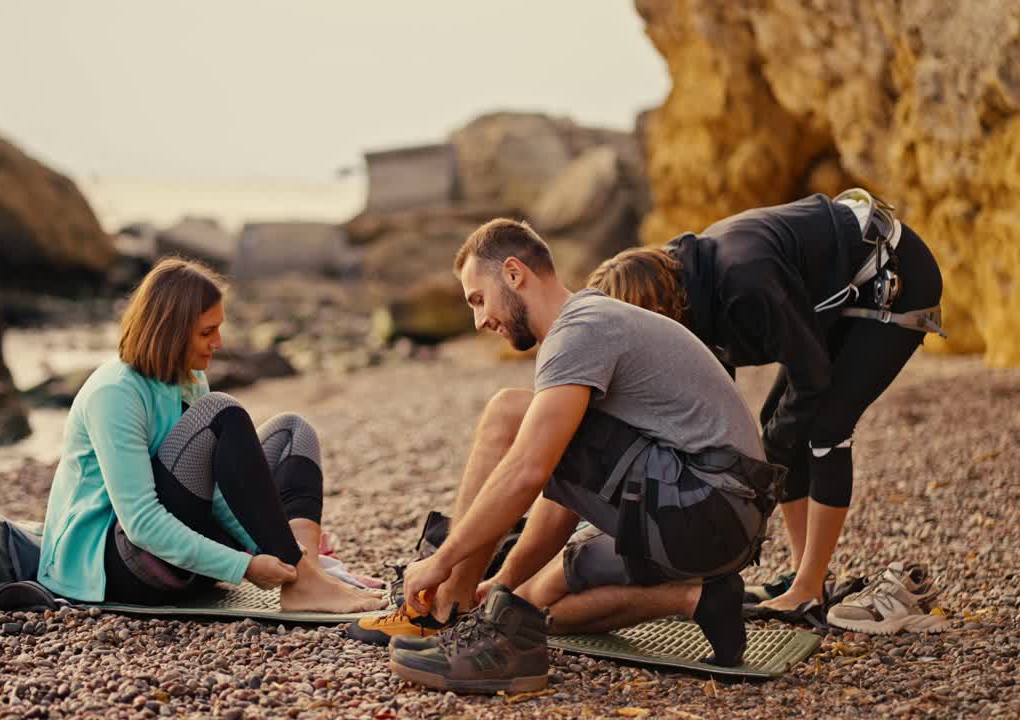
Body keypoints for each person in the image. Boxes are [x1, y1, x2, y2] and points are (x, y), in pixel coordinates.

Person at [364, 219, 784, 694]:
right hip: (720, 514)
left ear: (515, 273)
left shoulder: (580, 330)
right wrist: (503, 584)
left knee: (508, 413)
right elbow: (567, 488)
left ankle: (447, 608)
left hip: (707, 504)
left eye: (478, 299)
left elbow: (529, 470)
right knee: (539, 605)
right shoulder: (588, 324)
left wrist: (442, 562)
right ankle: (698, 599)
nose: (479, 321)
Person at [588, 190, 944, 617]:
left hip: (895, 275)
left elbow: (811, 378)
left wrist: (761, 474)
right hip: (843, 284)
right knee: (777, 422)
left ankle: (809, 588)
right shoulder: (687, 286)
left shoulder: (744, 280)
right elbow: (712, 402)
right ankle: (803, 575)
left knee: (825, 427)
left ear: (657, 309)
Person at [37, 258, 385, 613]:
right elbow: (140, 522)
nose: (218, 342)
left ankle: (306, 573)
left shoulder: (188, 379)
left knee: (293, 432)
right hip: (117, 568)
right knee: (224, 412)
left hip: (182, 554)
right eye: (206, 332)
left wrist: (274, 557)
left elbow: (221, 495)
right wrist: (243, 567)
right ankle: (305, 579)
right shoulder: (114, 393)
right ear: (170, 332)